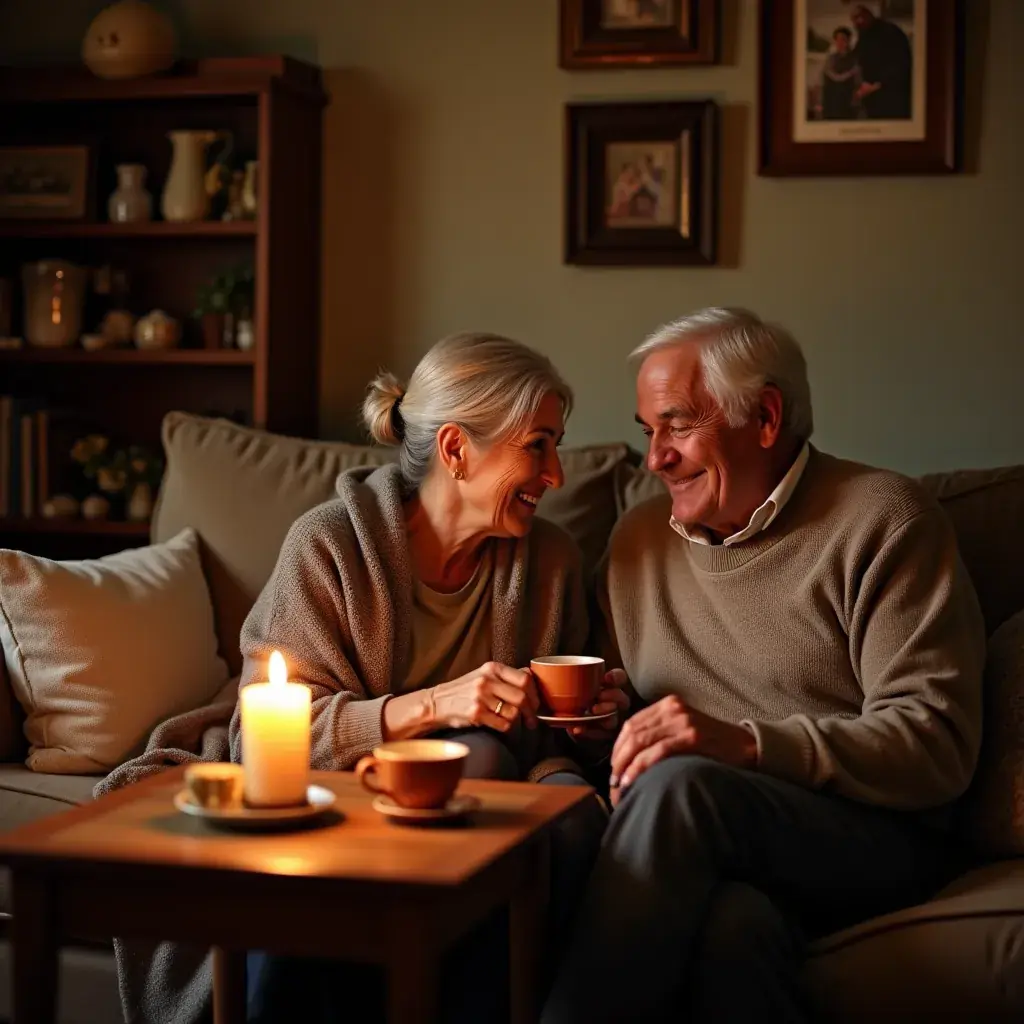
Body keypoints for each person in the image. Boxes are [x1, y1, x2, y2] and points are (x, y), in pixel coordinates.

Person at [542, 308, 985, 1024]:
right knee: (733, 930)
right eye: (647, 431)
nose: (655, 459)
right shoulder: (637, 542)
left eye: (677, 426)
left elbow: (936, 744)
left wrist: (746, 743)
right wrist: (603, 731)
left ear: (767, 417)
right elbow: (626, 721)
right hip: (707, 844)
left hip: (872, 833)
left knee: (684, 786)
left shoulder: (885, 520)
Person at [236, 331, 627, 1023]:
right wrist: (434, 706)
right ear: (455, 449)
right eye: (537, 446)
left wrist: (595, 727)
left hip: (498, 800)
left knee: (565, 818)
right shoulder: (329, 546)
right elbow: (262, 738)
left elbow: (555, 740)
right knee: (475, 755)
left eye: (557, 446)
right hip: (349, 801)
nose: (556, 475)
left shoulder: (553, 562)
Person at [851, 4, 913, 118]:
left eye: (860, 17)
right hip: (872, 98)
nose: (858, 21)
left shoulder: (889, 32)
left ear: (868, 15)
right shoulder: (864, 35)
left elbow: (901, 64)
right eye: (854, 19)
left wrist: (875, 86)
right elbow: (858, 57)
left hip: (893, 96)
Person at [820, 26, 862, 120]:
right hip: (831, 99)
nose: (840, 42)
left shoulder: (854, 58)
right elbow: (829, 75)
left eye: (843, 39)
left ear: (848, 41)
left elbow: (858, 80)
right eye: (837, 40)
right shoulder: (831, 58)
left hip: (847, 99)